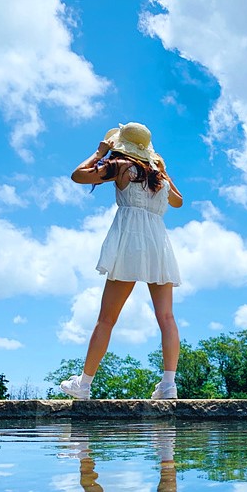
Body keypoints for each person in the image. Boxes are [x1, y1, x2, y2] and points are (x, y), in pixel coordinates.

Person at [59, 122, 183, 401]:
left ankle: (84, 384)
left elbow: (78, 176)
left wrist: (99, 152)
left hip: (131, 241)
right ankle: (168, 384)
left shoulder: (121, 166)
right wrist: (161, 169)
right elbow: (178, 202)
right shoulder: (158, 177)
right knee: (166, 317)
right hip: (158, 244)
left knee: (106, 318)